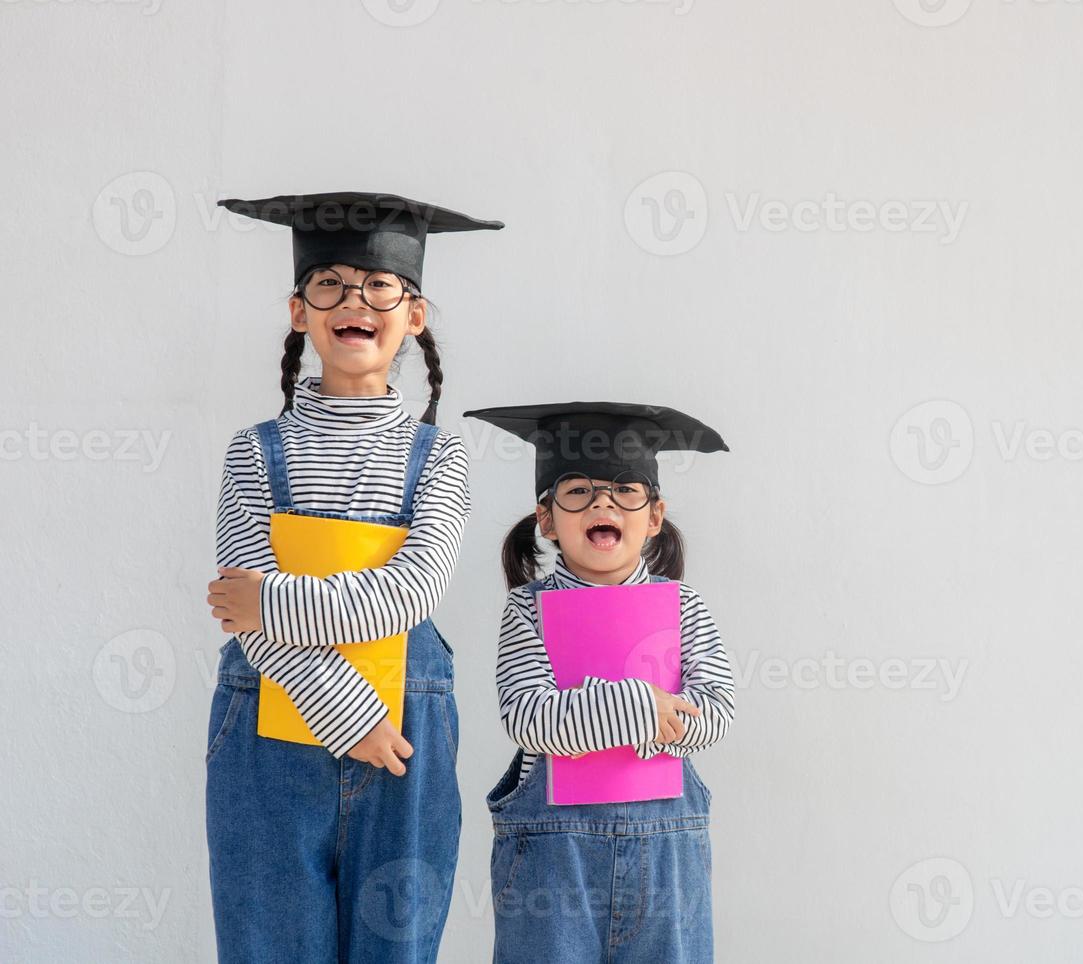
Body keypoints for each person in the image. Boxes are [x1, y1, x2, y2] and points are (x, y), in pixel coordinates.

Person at [203, 191, 500, 962]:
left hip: (404, 742)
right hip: (270, 740)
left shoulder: (442, 456)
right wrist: (347, 717)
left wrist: (270, 599)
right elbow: (247, 631)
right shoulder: (253, 452)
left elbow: (407, 592)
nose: (354, 301)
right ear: (300, 312)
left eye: (379, 287)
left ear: (414, 313)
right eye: (328, 284)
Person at [465, 401, 736, 963]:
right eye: (578, 492)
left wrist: (651, 716)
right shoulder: (528, 610)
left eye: (625, 491)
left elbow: (716, 709)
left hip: (668, 870)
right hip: (553, 869)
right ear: (547, 520)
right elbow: (530, 717)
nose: (603, 503)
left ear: (654, 516)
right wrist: (642, 707)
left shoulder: (684, 608)